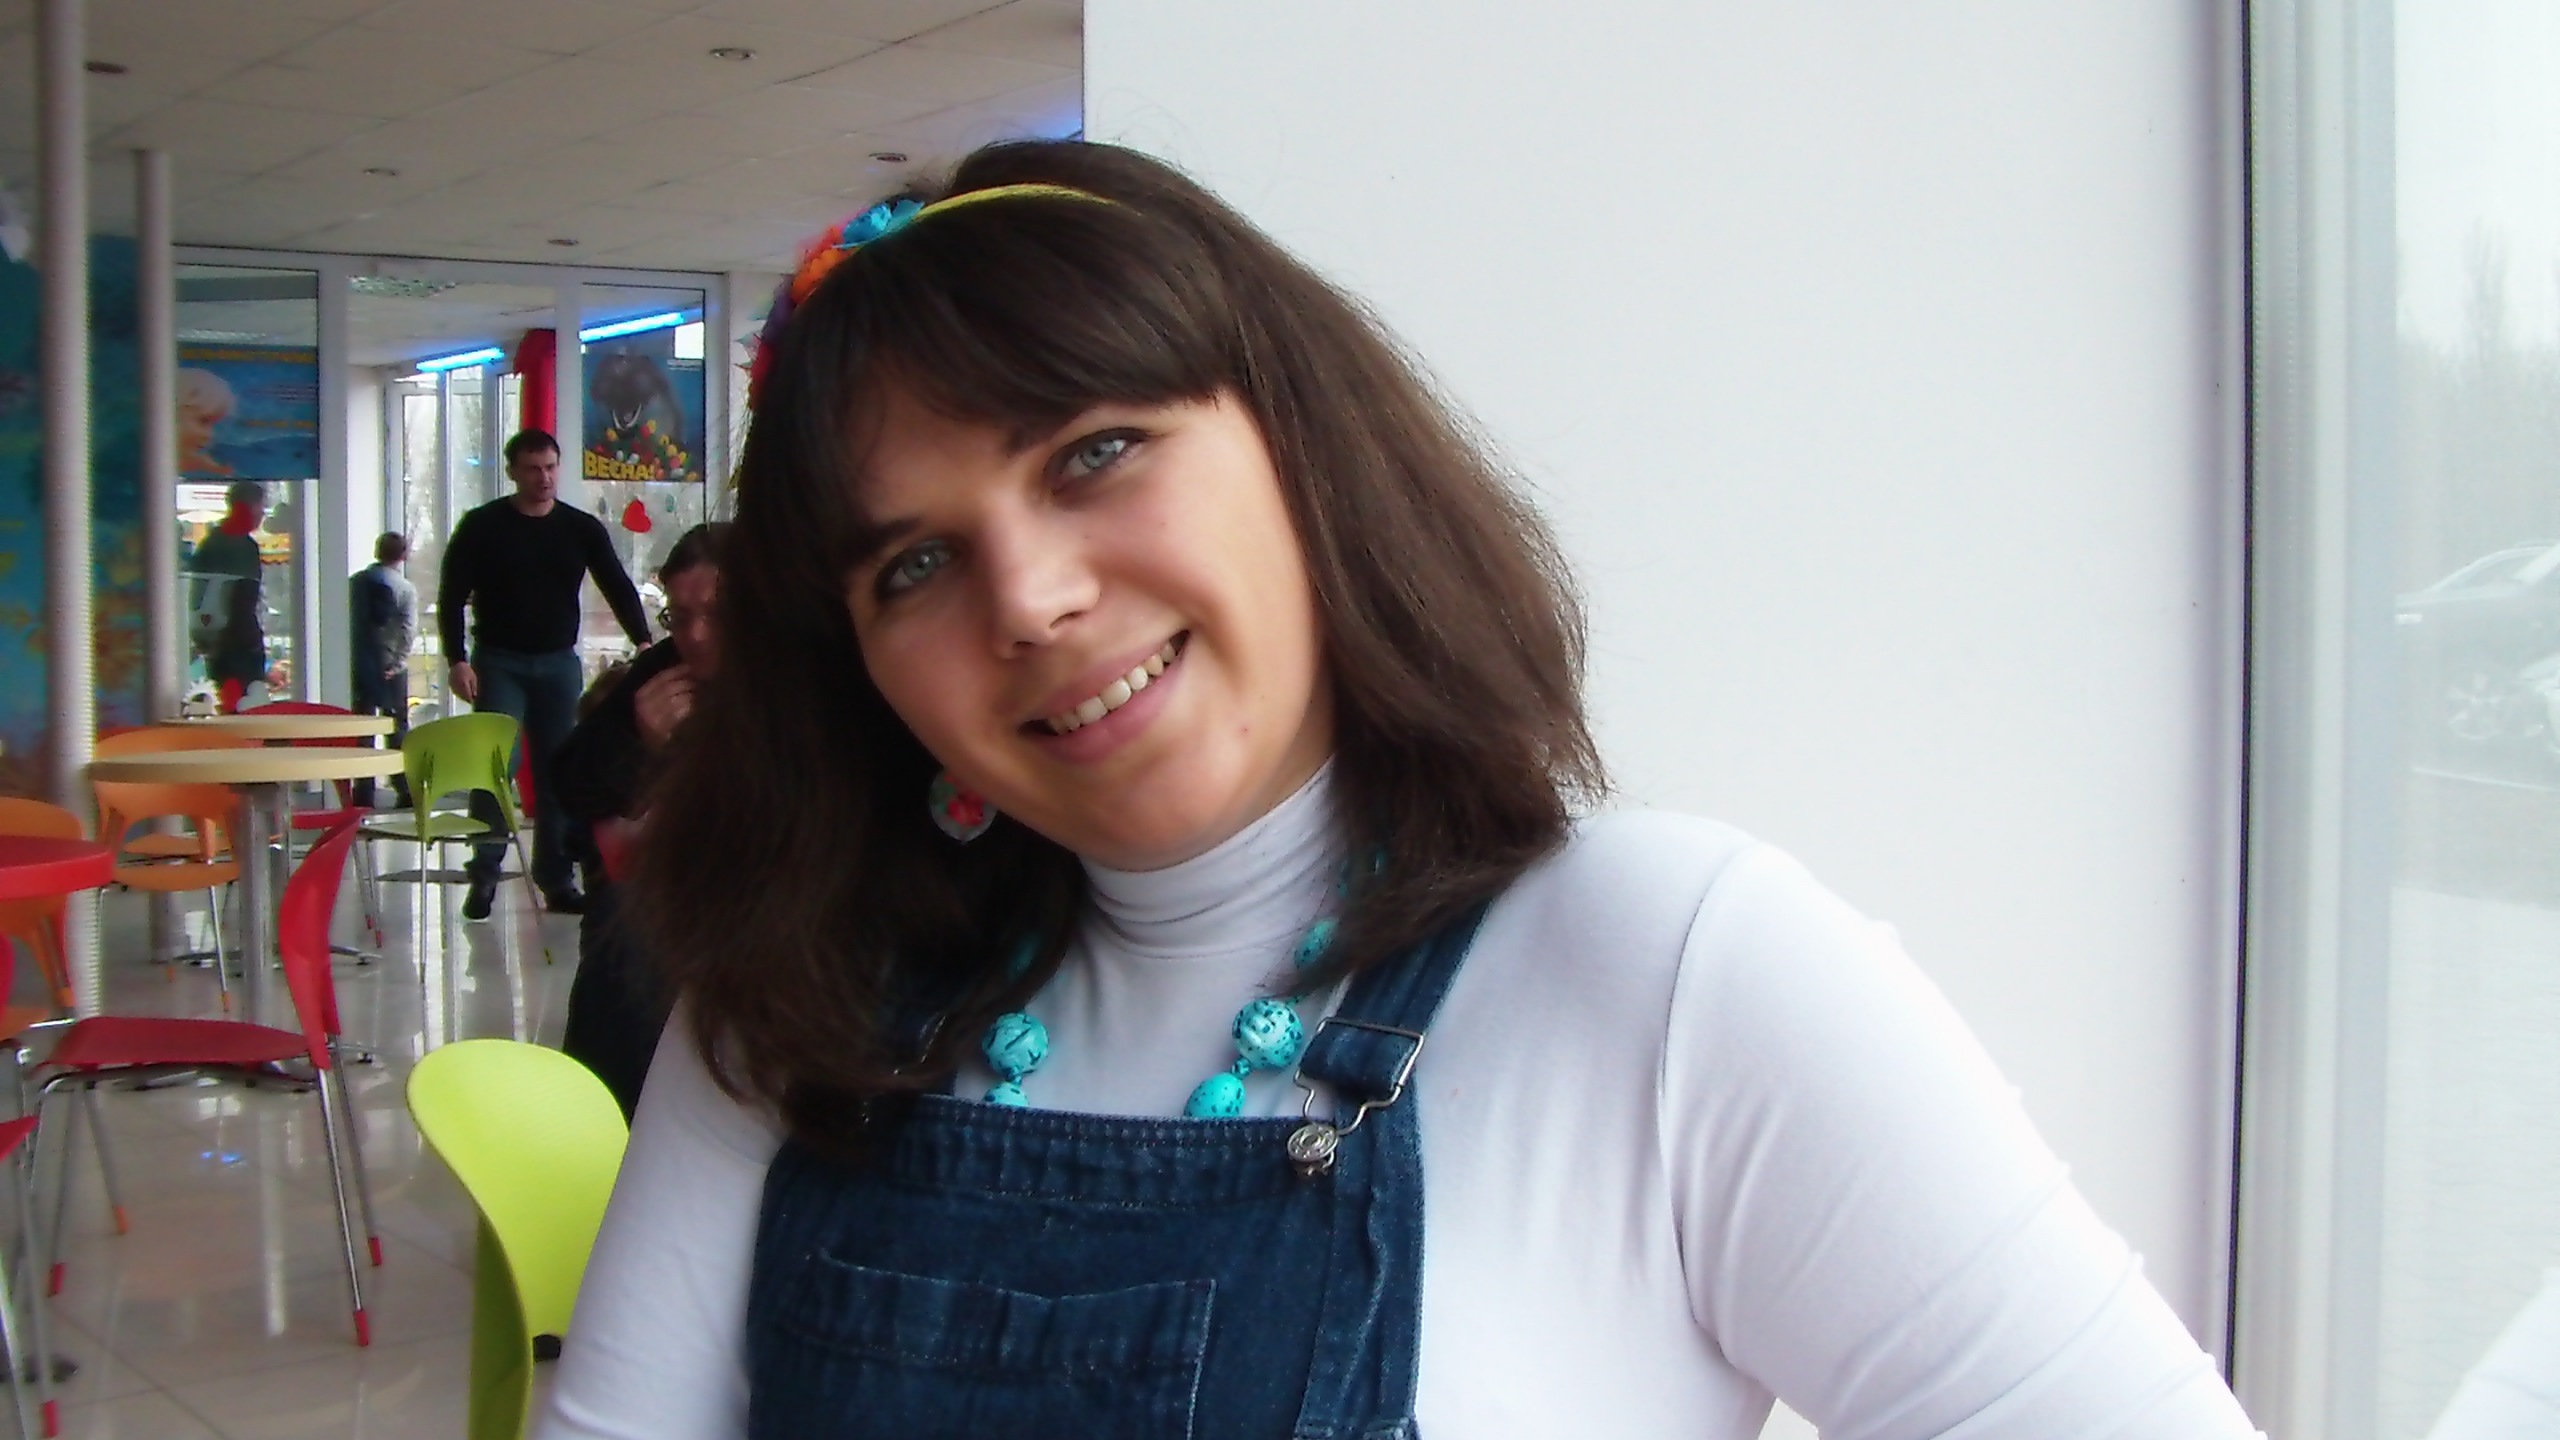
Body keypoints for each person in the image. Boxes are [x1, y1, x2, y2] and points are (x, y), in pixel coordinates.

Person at [540, 143, 2261, 1438]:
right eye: (914, 563)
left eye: (1095, 453)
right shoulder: (795, 1019)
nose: (1034, 599)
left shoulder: (1668, 968)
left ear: (1300, 446)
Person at [551, 521, 728, 1118]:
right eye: (680, 617)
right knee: (625, 930)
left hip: (775, 884)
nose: (696, 636)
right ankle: (599, 1123)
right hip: (679, 884)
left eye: (717, 614)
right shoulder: (665, 671)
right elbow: (572, 782)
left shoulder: (800, 677)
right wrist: (644, 750)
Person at [438, 429, 651, 921]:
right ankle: (485, 868)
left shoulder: (579, 528)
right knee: (498, 762)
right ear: (513, 472)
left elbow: (616, 583)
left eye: (551, 468)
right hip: (499, 660)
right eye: (533, 469)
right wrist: (457, 659)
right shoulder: (483, 526)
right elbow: (451, 595)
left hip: (557, 661)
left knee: (560, 769)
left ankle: (557, 877)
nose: (544, 478)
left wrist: (642, 639)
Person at [187, 480, 267, 714]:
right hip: (237, 645)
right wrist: (251, 642)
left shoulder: (210, 543)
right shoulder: (242, 547)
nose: (262, 514)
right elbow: (243, 600)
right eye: (260, 507)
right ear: (246, 507)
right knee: (242, 707)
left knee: (227, 704)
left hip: (217, 642)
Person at [349, 531, 416, 808]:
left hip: (361, 663)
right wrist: (397, 663)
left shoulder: (355, 583)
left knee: (363, 727)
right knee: (396, 727)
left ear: (377, 551)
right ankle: (404, 789)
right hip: (389, 666)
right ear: (403, 555)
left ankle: (363, 792)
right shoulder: (405, 589)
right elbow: (407, 630)